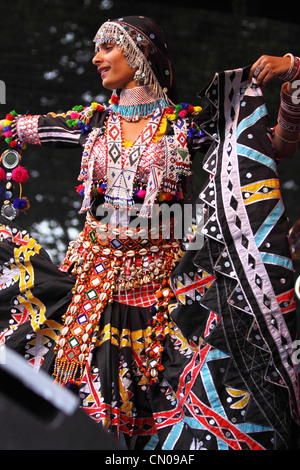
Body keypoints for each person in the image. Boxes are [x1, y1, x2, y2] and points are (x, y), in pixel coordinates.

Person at [0, 15, 300, 450]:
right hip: (88, 284)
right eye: (96, 48)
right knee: (76, 396)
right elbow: (13, 127)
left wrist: (293, 71)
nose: (95, 57)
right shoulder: (93, 122)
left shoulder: (184, 126)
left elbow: (279, 146)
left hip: (161, 291)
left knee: (162, 404)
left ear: (140, 55)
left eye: (107, 47)